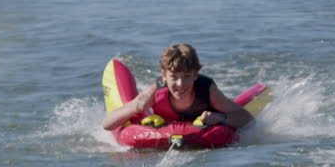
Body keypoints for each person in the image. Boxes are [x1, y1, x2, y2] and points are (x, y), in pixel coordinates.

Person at [102, 44, 254, 131]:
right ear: (164, 76)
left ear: (196, 75)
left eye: (187, 76)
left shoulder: (207, 91)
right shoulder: (155, 93)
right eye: (174, 77)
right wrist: (137, 107)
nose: (180, 84)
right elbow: (107, 125)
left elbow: (248, 119)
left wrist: (221, 118)